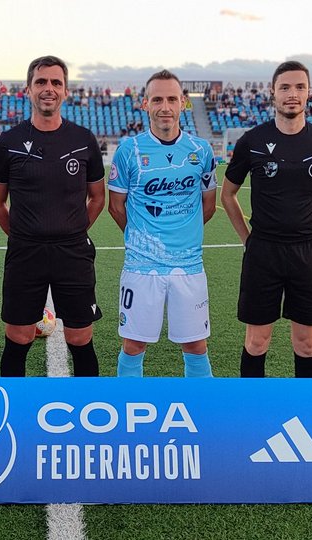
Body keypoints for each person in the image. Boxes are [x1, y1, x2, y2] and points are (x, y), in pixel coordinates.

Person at [220, 60, 312, 379]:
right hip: (264, 253)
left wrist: (304, 221)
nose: (292, 94)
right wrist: (249, 239)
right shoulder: (252, 140)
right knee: (257, 342)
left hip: (308, 253)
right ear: (272, 93)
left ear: (309, 93)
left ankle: (305, 415)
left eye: (299, 87)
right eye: (285, 87)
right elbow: (228, 195)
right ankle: (251, 415)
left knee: (306, 344)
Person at [0, 55, 105, 377]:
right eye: (41, 82)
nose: (48, 89)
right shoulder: (8, 143)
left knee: (80, 338)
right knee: (19, 337)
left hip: (73, 252)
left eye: (56, 82)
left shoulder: (83, 141)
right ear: (28, 89)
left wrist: (74, 229)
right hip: (25, 253)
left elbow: (97, 198)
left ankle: (87, 413)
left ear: (66, 91)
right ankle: (15, 415)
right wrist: (23, 235)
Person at [107, 70, 217, 378]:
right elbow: (116, 207)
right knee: (133, 345)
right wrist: (142, 238)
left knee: (196, 345)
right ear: (145, 104)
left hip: (189, 266)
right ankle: (128, 412)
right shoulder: (129, 150)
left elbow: (208, 206)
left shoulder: (201, 151)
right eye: (157, 99)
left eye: (172, 99)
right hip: (142, 267)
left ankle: (202, 413)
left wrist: (183, 235)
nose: (164, 106)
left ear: (183, 103)